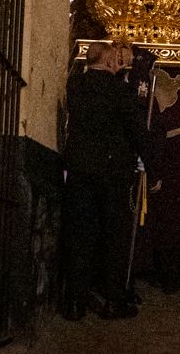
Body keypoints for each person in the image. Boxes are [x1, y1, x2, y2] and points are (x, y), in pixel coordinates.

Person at [62, 41, 156, 320]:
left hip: (80, 170)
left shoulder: (75, 86)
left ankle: (75, 303)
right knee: (114, 237)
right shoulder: (119, 91)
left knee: (80, 235)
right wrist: (151, 165)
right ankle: (114, 300)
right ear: (109, 61)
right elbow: (137, 130)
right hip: (112, 173)